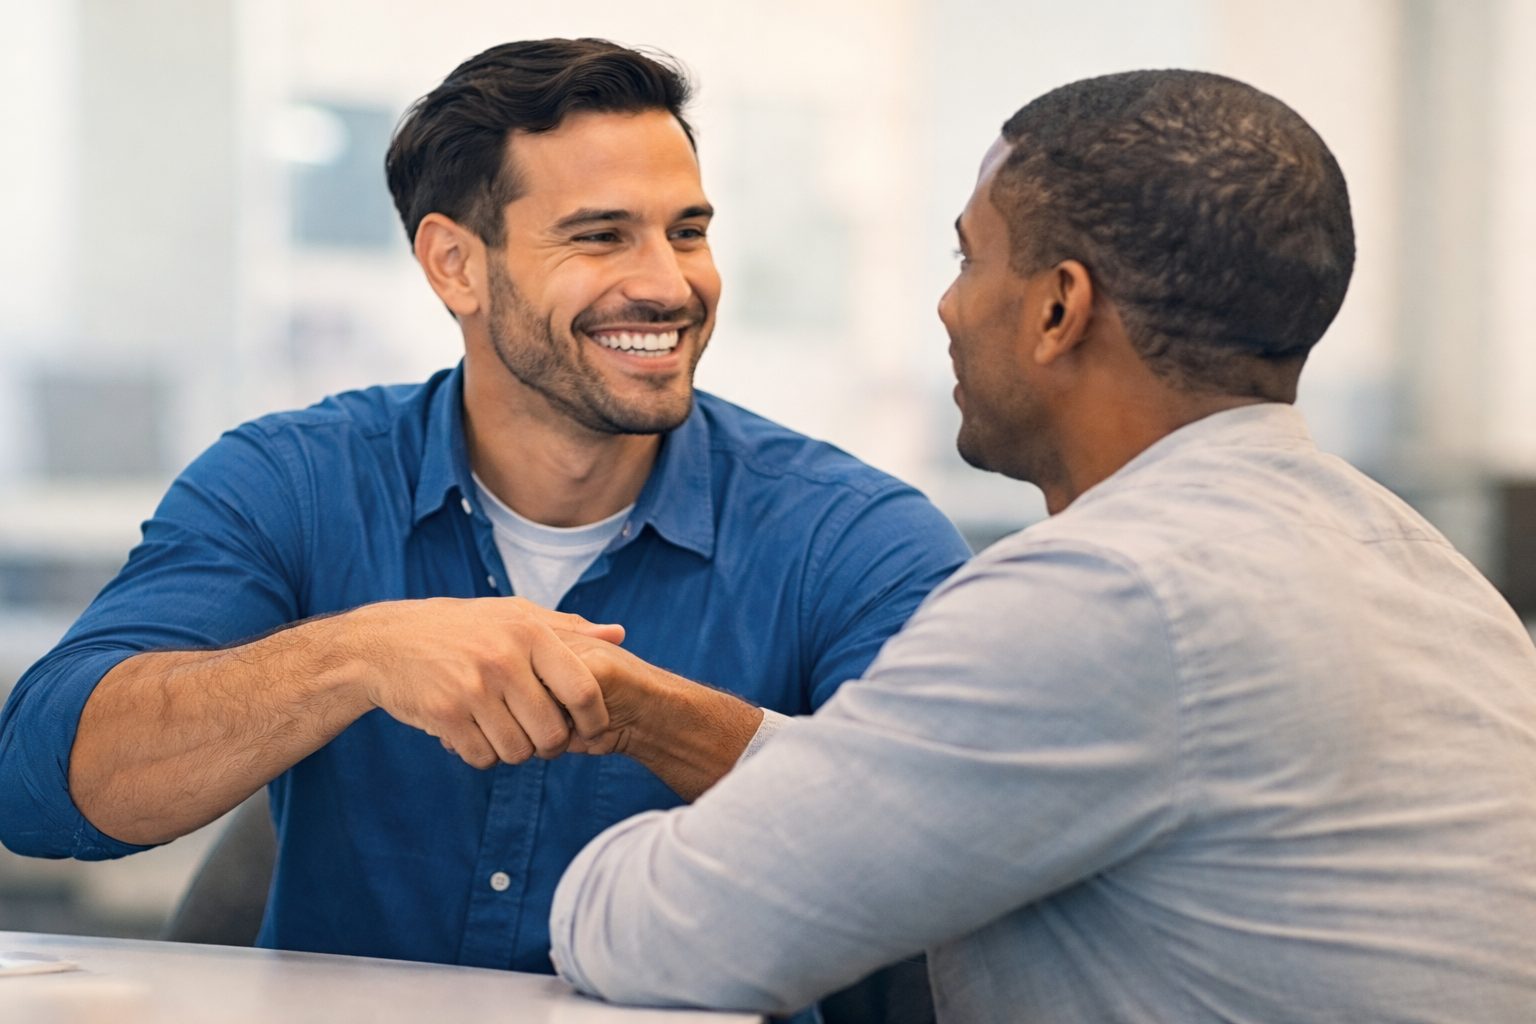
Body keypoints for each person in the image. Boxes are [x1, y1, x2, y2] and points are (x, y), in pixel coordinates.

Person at [547, 70, 1536, 1022]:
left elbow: (656, 934)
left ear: (1060, 308)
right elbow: (948, 782)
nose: (947, 308)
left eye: (968, 260)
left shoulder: (1111, 589)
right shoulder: (1418, 567)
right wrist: (654, 715)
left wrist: (586, 861)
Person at [0, 37, 970, 990]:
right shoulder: (293, 481)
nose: (670, 284)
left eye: (687, 231)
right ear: (454, 264)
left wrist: (648, 715)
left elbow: (950, 850)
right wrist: (357, 655)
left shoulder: (852, 537)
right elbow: (38, 788)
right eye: (600, 235)